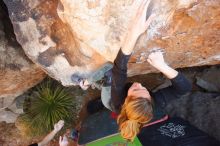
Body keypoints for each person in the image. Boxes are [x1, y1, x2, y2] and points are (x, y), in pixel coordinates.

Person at [100, 0, 219, 146]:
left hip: (110, 100)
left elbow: (119, 68)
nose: (139, 84)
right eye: (144, 90)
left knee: (109, 78)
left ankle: (104, 80)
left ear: (126, 100)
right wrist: (162, 66)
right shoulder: (155, 102)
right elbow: (184, 88)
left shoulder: (118, 100)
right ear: (151, 100)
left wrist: (134, 32)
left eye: (135, 90)